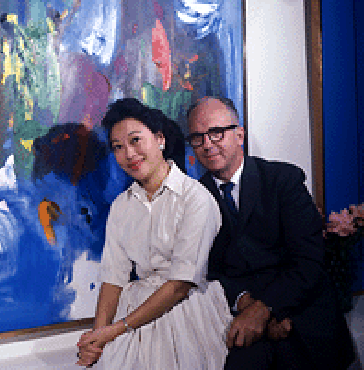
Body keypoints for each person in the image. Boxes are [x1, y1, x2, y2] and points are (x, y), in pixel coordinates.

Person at [187, 96, 356, 370]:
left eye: (216, 133)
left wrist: (265, 308)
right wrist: (247, 305)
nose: (207, 144)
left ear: (239, 135)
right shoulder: (193, 198)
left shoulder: (283, 180)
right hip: (241, 321)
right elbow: (207, 271)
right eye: (197, 137)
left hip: (302, 314)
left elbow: (309, 260)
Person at [76, 98, 233, 369]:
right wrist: (96, 340)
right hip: (134, 316)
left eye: (135, 140)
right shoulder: (121, 205)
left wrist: (117, 330)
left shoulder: (195, 198)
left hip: (187, 313)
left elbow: (180, 284)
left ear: (160, 139)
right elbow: (113, 278)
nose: (129, 154)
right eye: (118, 147)